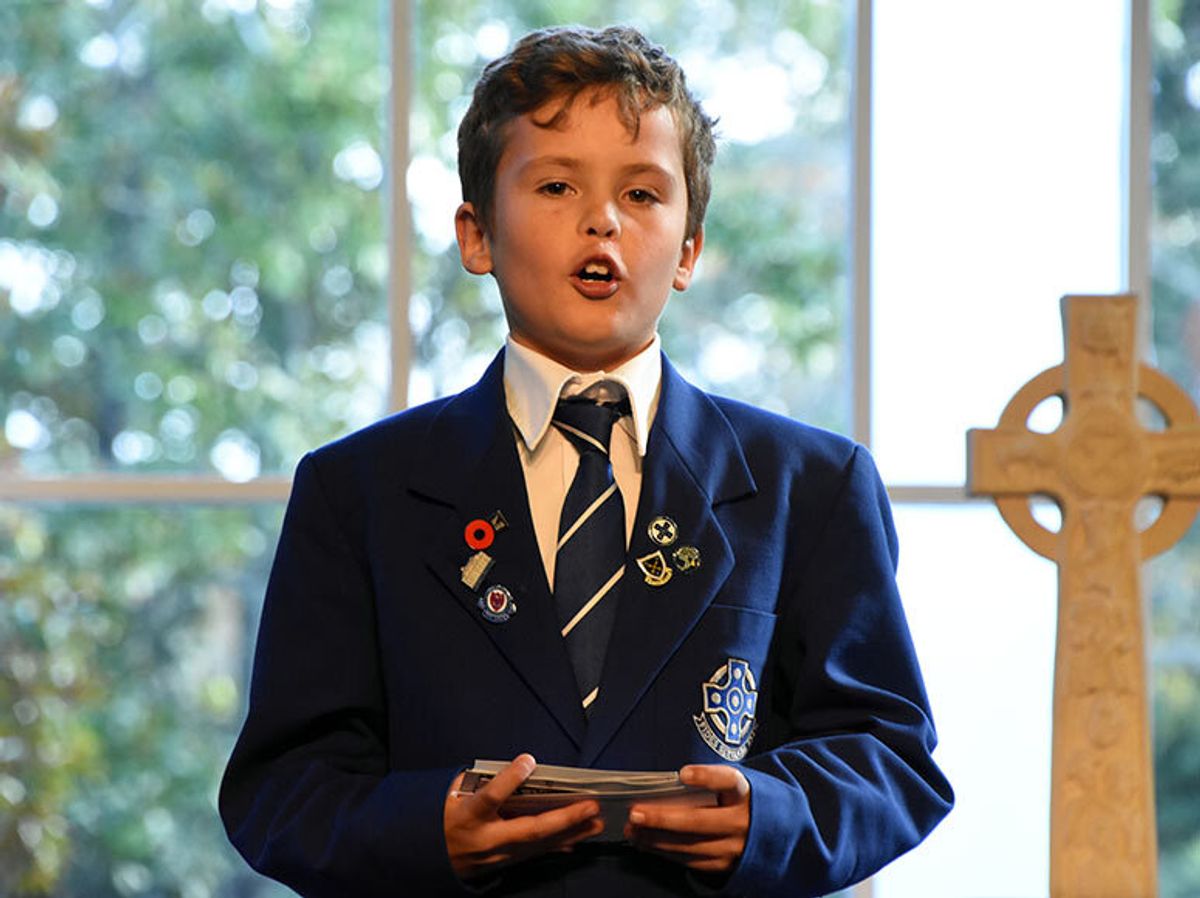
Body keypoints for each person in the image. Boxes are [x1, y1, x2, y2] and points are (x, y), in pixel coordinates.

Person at [219, 24, 953, 897]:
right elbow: (282, 788)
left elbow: (891, 756)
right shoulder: (357, 493)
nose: (602, 219)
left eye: (642, 193)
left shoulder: (814, 488)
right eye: (557, 185)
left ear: (689, 249)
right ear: (477, 234)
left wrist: (770, 817)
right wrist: (427, 828)